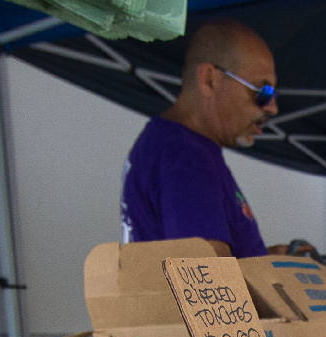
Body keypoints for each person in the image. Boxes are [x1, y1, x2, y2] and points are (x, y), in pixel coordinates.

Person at [120, 19, 279, 256]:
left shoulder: (172, 144)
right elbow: (210, 284)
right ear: (209, 79)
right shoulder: (186, 158)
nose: (272, 108)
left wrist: (266, 261)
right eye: (263, 92)